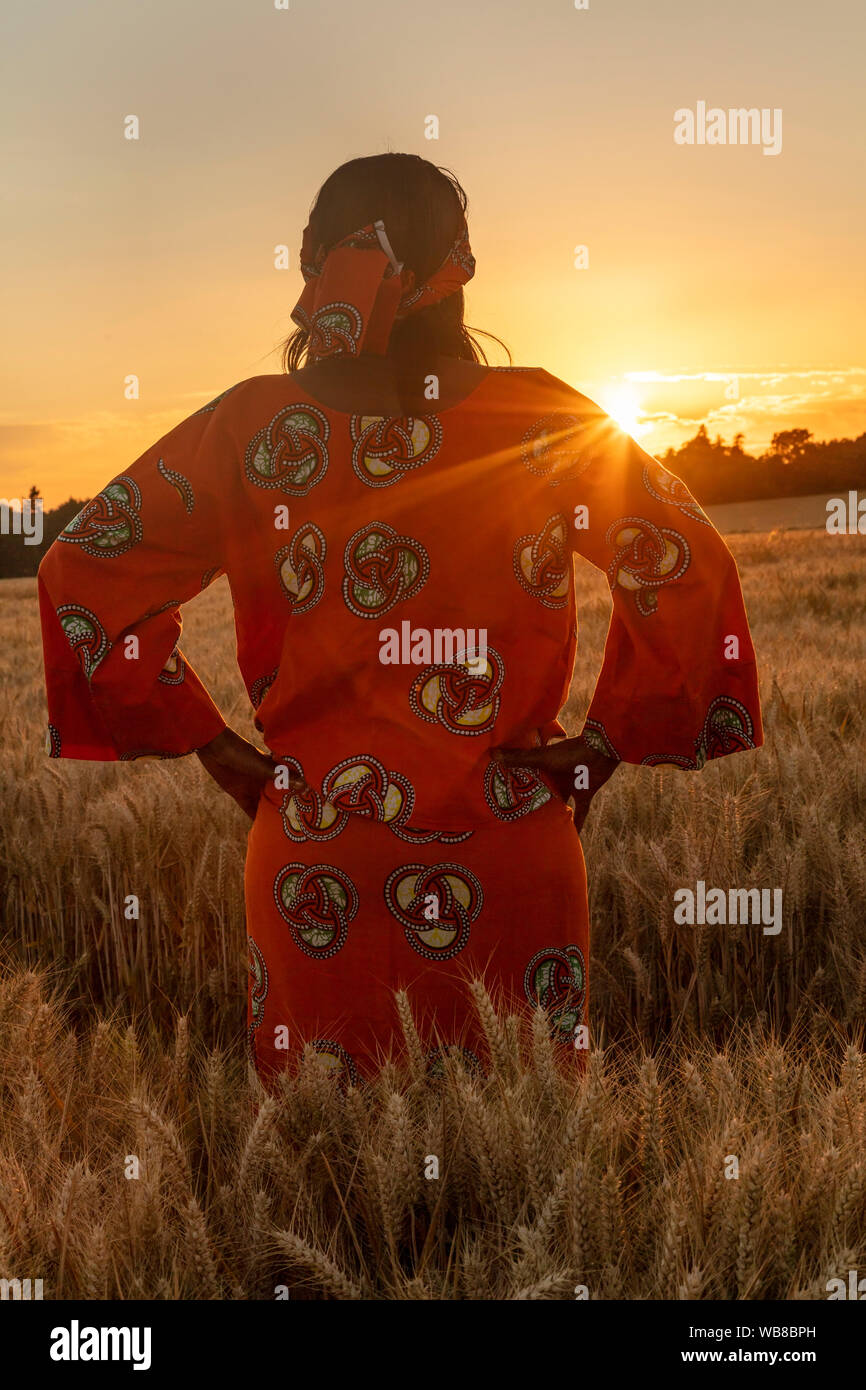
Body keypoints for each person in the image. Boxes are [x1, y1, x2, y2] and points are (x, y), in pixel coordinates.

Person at [38, 153, 762, 1084]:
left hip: (312, 859)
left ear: (310, 268)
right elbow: (689, 562)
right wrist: (610, 743)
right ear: (456, 269)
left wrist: (215, 749)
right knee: (524, 1188)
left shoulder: (253, 426)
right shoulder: (540, 416)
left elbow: (83, 570)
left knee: (329, 1186)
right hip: (512, 850)